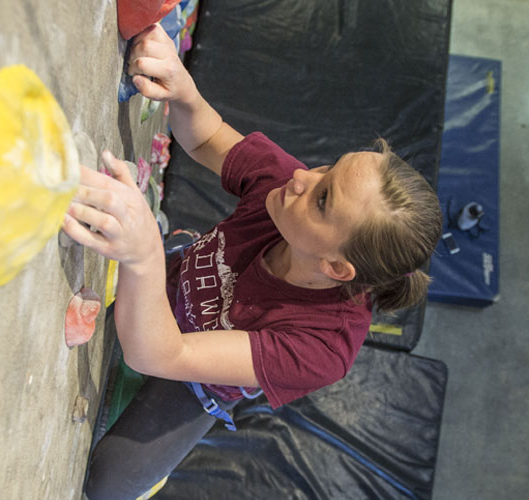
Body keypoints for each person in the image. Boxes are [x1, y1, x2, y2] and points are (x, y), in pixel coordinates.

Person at [62, 24, 442, 500]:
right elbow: (207, 138)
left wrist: (141, 255)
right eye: (329, 165)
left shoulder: (321, 347)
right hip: (183, 283)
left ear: (337, 268)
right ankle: (170, 255)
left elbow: (164, 354)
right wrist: (183, 91)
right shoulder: (287, 189)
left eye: (323, 199)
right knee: (131, 314)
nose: (304, 175)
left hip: (199, 379)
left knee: (109, 483)